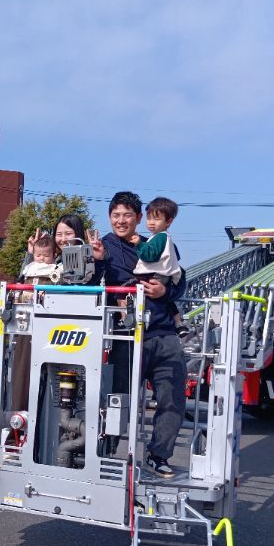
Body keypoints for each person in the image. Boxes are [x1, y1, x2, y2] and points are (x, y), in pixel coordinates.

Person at [88, 191, 187, 478]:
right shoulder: (103, 246)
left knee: (172, 397)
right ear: (109, 218)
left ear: (139, 218)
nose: (121, 220)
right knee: (117, 399)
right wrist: (99, 261)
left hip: (163, 332)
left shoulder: (157, 243)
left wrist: (165, 291)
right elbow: (93, 282)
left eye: (127, 215)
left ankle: (159, 456)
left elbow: (181, 279)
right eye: (116, 215)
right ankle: (104, 456)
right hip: (125, 335)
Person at [132, 196, 190, 338]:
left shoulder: (160, 237)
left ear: (168, 221)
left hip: (153, 275)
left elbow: (149, 255)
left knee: (128, 291)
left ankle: (127, 318)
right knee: (165, 300)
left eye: (156, 219)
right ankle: (179, 324)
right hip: (163, 276)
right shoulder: (163, 237)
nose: (151, 223)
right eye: (149, 218)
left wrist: (139, 244)